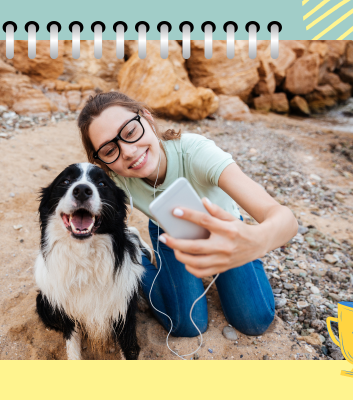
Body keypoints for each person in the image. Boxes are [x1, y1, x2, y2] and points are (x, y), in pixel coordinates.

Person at [77, 92, 298, 337]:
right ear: (103, 162)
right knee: (186, 324)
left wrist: (257, 240)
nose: (127, 152)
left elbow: (283, 217)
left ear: (147, 118)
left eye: (130, 132)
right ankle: (137, 253)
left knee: (254, 321)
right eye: (109, 150)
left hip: (227, 231)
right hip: (169, 231)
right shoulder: (116, 178)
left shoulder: (196, 153)